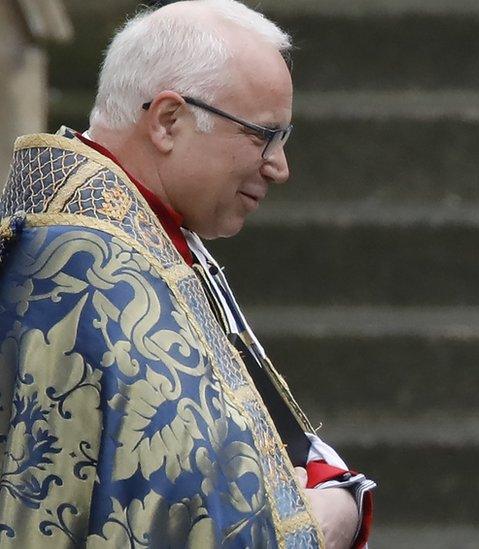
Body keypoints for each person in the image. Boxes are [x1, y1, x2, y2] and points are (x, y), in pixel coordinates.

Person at [0, 1, 373, 547]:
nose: (279, 167)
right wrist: (317, 521)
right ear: (169, 121)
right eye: (262, 135)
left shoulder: (145, 232)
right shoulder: (78, 266)